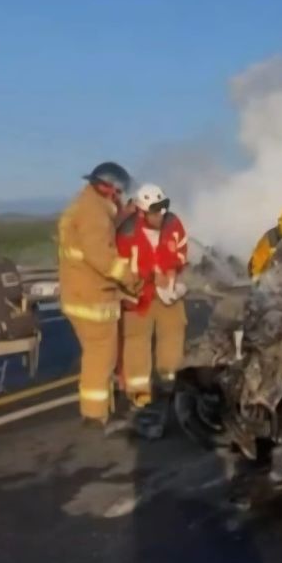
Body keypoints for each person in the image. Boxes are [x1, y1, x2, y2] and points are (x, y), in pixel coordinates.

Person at [58, 162, 142, 427]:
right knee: (100, 357)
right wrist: (132, 278)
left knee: (94, 355)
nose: (119, 196)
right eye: (118, 192)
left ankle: (97, 408)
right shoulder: (93, 211)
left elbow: (97, 231)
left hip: (78, 292)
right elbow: (101, 255)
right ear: (108, 188)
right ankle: (95, 415)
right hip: (92, 298)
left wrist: (123, 215)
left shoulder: (86, 203)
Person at [116, 184, 189, 408]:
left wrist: (173, 269)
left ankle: (169, 381)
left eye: (163, 208)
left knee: (173, 334)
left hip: (168, 295)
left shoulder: (173, 224)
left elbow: (181, 250)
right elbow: (120, 269)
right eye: (155, 211)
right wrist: (147, 278)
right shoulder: (126, 233)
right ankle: (140, 393)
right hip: (138, 298)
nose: (160, 215)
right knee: (137, 343)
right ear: (140, 211)